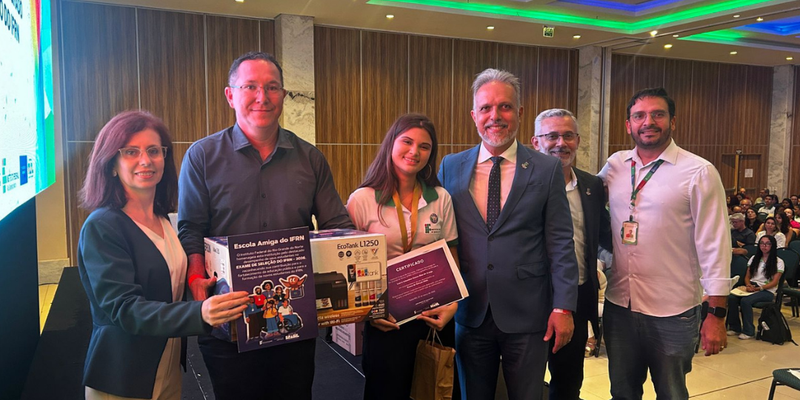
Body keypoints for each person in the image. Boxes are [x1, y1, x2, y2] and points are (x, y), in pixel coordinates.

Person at [178, 51, 354, 400]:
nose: (263, 97)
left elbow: (337, 224)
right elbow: (191, 229)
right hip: (229, 317)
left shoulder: (310, 158)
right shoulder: (202, 156)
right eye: (251, 86)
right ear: (231, 95)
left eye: (272, 87)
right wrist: (196, 278)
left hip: (294, 318)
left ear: (284, 96)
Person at [77, 111, 249, 400]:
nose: (145, 160)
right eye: (131, 152)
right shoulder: (102, 226)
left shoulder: (163, 219)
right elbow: (124, 309)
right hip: (124, 376)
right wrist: (200, 313)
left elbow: (167, 284)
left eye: (154, 151)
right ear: (111, 165)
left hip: (167, 367)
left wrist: (199, 288)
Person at [439, 68, 578, 400]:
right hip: (469, 311)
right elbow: (439, 235)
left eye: (504, 107)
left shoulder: (546, 169)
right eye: (486, 108)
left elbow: (560, 241)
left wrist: (563, 307)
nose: (495, 116)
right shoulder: (451, 166)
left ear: (519, 112)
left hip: (528, 313)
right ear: (474, 115)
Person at [597, 88, 731, 399]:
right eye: (639, 116)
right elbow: (581, 198)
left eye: (658, 114)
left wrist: (716, 315)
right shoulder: (616, 165)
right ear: (628, 124)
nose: (648, 122)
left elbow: (715, 245)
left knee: (671, 393)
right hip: (620, 305)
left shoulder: (698, 172)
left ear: (672, 121)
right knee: (622, 392)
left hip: (674, 311)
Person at [346, 113, 460, 400]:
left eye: (424, 146)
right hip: (386, 319)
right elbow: (348, 265)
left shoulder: (440, 197)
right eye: (407, 142)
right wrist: (369, 312)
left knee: (434, 392)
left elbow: (451, 253)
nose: (415, 152)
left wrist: (453, 304)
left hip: (432, 316)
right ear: (390, 144)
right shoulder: (362, 199)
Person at [531, 108, 611, 400]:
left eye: (567, 136)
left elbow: (605, 237)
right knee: (525, 382)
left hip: (576, 300)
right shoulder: (520, 186)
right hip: (531, 301)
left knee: (568, 384)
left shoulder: (591, 186)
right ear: (535, 142)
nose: (560, 143)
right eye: (551, 136)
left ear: (577, 140)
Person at [726, 234, 784, 339]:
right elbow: (747, 276)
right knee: (731, 298)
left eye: (767, 244)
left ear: (773, 245)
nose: (764, 246)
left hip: (767, 291)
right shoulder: (754, 258)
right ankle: (735, 327)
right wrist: (748, 284)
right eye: (762, 243)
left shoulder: (778, 262)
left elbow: (774, 283)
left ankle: (749, 330)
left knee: (745, 301)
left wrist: (758, 288)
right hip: (752, 286)